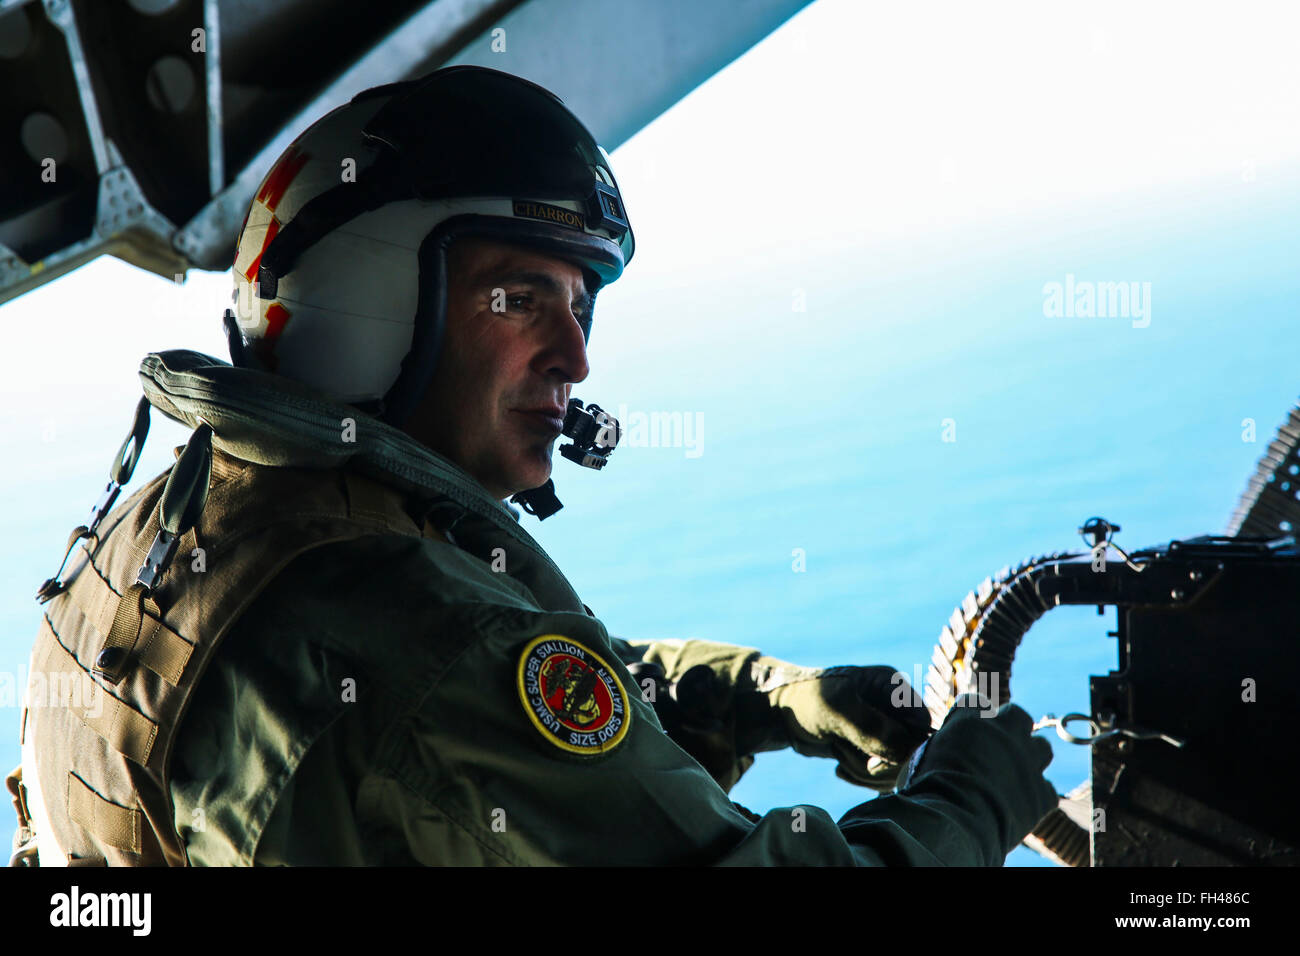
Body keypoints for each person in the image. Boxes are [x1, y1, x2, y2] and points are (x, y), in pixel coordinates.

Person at [8, 66, 1056, 867]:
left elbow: (452, 736)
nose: (576, 356)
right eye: (519, 296)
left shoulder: (179, 518)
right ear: (365, 303)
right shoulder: (410, 621)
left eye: (581, 302)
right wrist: (971, 791)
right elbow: (454, 684)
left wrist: (752, 693)